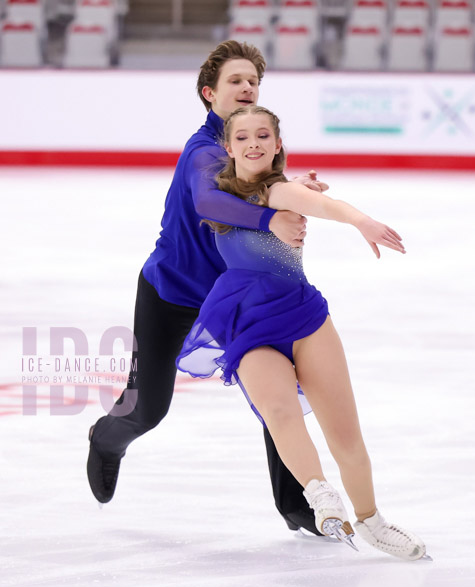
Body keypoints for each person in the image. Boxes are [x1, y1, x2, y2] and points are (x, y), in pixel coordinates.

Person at [87, 40, 328, 536]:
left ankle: (297, 505)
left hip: (234, 298)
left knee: (274, 395)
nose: (246, 88)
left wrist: (291, 190)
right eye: (235, 81)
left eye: (253, 82)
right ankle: (106, 439)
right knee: (148, 409)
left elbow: (265, 190)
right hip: (171, 292)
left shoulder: (257, 142)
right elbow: (208, 201)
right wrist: (271, 216)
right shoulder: (202, 150)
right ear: (209, 94)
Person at [176, 105, 429, 561]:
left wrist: (360, 221)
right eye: (243, 137)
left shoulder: (281, 191)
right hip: (245, 320)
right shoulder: (217, 192)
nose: (253, 143)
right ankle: (318, 492)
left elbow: (324, 205)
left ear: (276, 145)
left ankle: (372, 521)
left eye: (263, 135)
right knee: (278, 409)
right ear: (229, 147)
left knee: (345, 435)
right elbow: (206, 202)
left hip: (301, 318)